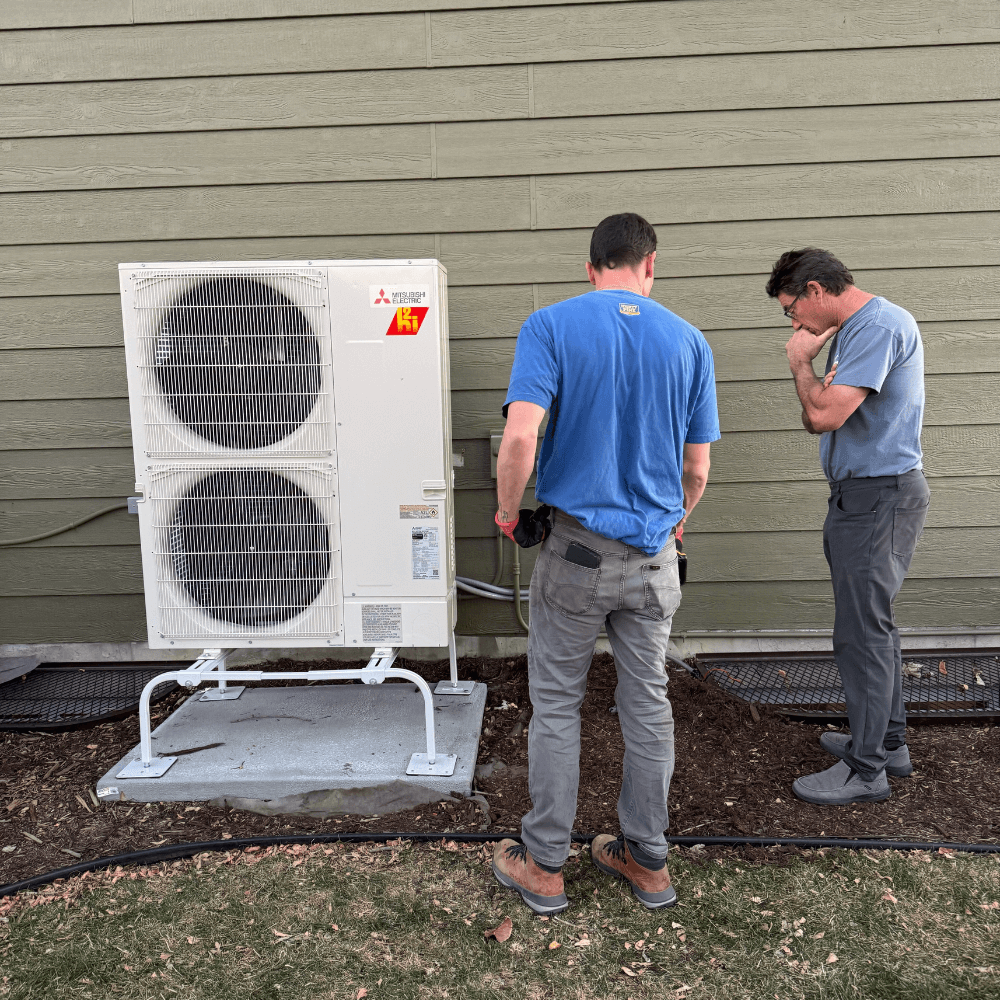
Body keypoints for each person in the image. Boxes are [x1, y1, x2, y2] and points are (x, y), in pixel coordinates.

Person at [490, 213, 720, 914]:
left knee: (558, 703)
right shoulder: (689, 341)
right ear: (650, 266)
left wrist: (508, 514)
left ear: (591, 267)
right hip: (654, 557)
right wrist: (675, 523)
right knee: (646, 702)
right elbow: (697, 469)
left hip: (576, 554)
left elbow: (521, 438)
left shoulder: (550, 326)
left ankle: (544, 866)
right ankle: (647, 861)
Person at [766, 248, 930, 806]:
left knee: (862, 634)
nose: (795, 326)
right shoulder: (857, 330)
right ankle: (887, 744)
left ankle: (867, 771)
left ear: (815, 290)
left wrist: (800, 365)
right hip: (863, 497)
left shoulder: (876, 327)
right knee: (871, 627)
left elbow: (821, 414)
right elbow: (819, 412)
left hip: (878, 498)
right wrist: (813, 382)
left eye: (792, 310)